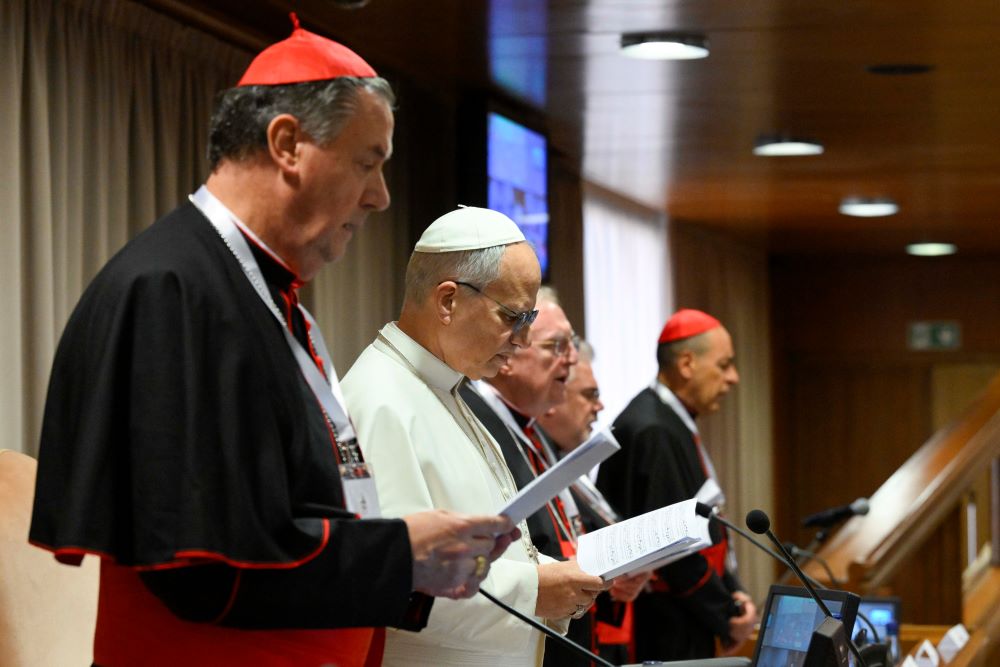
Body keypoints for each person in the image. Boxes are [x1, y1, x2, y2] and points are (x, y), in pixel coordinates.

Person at [29, 18, 516, 667]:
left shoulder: (261, 294)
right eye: (367, 163)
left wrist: (416, 566)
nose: (380, 196)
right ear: (287, 143)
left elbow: (289, 522)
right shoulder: (171, 290)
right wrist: (399, 552)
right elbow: (203, 573)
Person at [342, 207, 607, 667]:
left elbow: (486, 549)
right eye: (512, 317)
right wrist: (535, 593)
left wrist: (552, 575)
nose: (521, 340)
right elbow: (397, 582)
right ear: (448, 301)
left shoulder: (447, 388)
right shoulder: (380, 400)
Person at [464, 309, 643, 667]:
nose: (572, 358)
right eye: (557, 346)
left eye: (571, 346)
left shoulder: (530, 430)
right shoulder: (479, 418)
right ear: (510, 356)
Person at [596, 308, 757, 661]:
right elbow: (673, 545)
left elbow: (703, 521)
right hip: (662, 625)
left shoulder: (670, 419)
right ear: (687, 364)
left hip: (681, 616)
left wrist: (733, 592)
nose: (734, 378)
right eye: (724, 365)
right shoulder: (654, 429)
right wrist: (726, 615)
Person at [534, 340, 649, 665]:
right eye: (589, 395)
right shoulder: (529, 458)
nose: (599, 407)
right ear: (553, 401)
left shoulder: (568, 463)